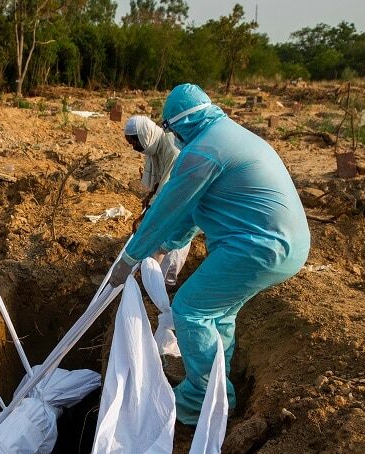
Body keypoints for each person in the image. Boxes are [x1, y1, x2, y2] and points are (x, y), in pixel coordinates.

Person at [108, 84, 310, 425]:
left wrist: (131, 257)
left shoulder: (202, 152)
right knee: (219, 315)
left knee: (189, 309)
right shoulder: (227, 135)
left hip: (259, 247)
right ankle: (219, 388)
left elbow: (167, 208)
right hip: (283, 244)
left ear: (178, 124)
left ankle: (199, 400)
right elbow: (192, 212)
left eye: (171, 129)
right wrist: (162, 246)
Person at [123, 115, 188, 286]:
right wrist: (150, 195)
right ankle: (155, 281)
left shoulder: (172, 149)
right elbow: (161, 179)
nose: (134, 147)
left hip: (183, 199)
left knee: (173, 239)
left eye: (134, 142)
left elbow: (168, 189)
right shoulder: (155, 146)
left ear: (144, 136)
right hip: (171, 196)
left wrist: (143, 218)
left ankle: (166, 284)